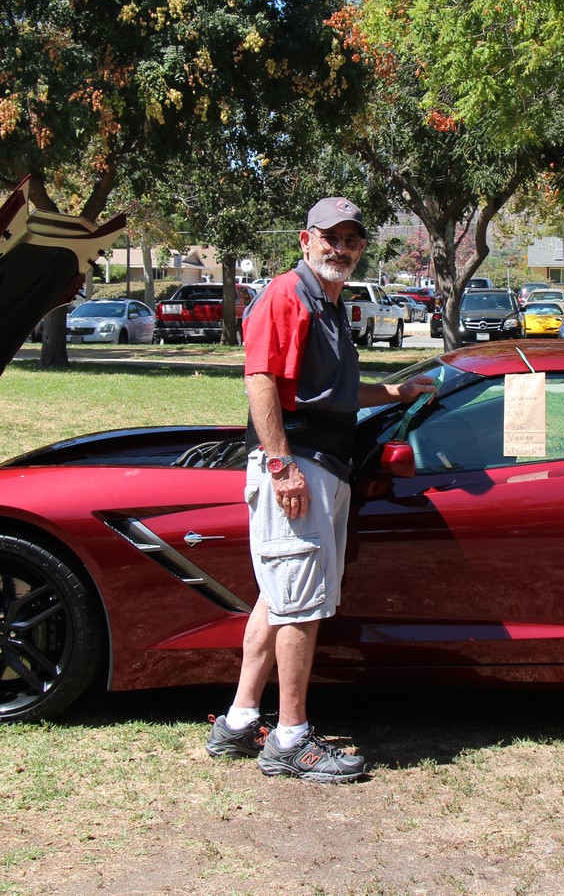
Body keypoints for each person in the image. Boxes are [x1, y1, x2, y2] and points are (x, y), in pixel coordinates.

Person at [205, 197, 435, 783]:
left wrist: (394, 395)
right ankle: (290, 740)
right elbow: (259, 377)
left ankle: (238, 720)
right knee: (300, 605)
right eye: (331, 237)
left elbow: (334, 394)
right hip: (298, 467)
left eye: (353, 239)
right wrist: (282, 466)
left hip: (323, 465)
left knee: (279, 597)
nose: (342, 248)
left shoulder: (331, 305)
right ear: (306, 240)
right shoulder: (288, 294)